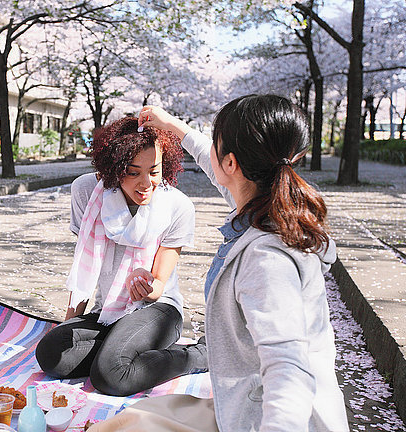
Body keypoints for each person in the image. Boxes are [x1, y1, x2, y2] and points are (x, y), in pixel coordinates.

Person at [137, 95, 349, 431]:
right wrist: (171, 126)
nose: (211, 154)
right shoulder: (269, 208)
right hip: (245, 402)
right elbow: (213, 161)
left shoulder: (266, 258)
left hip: (272, 418)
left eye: (217, 146)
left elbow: (288, 370)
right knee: (136, 417)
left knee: (130, 423)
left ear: (232, 164)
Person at [35, 116, 208, 397]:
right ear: (114, 169)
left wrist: (148, 286)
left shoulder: (177, 206)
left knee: (111, 375)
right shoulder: (87, 192)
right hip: (108, 310)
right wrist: (68, 326)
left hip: (158, 309)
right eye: (133, 172)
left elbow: (160, 286)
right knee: (51, 353)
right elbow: (84, 265)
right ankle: (122, 347)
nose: (146, 183)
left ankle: (197, 355)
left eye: (154, 171)